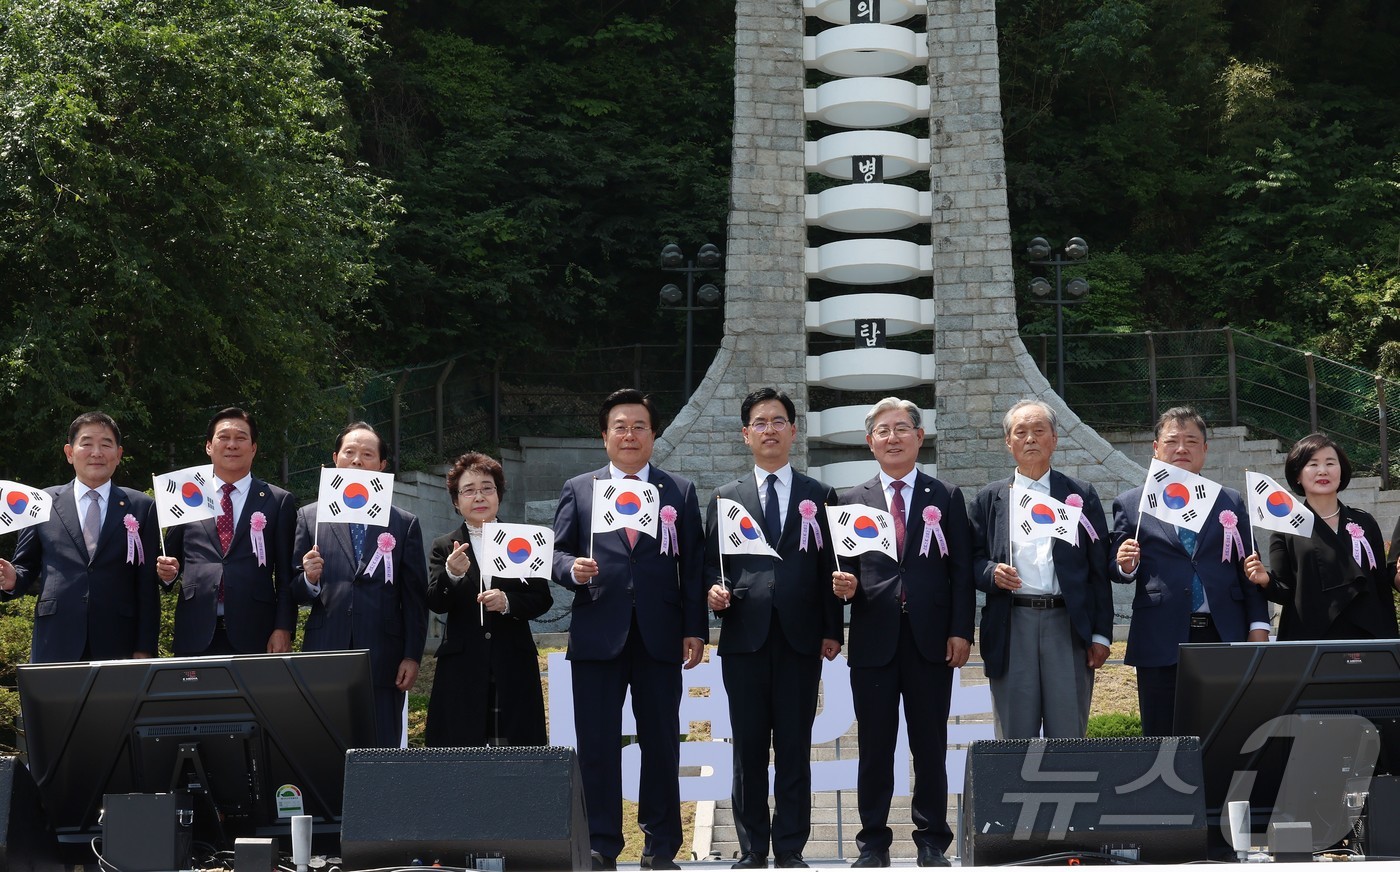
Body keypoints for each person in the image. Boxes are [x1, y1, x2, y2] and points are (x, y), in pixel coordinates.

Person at [551, 389, 706, 872]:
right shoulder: (579, 489)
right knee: (597, 744)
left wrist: (695, 628)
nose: (630, 434)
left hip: (661, 634)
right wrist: (570, 569)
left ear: (654, 435)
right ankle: (600, 844)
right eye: (620, 426)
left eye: (640, 426)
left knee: (661, 742)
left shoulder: (679, 491)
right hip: (599, 632)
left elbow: (695, 567)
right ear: (604, 437)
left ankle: (661, 847)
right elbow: (554, 553)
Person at [830, 397, 974, 869]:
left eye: (901, 429)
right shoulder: (849, 500)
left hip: (931, 640)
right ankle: (873, 842)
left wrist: (961, 631)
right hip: (874, 640)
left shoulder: (946, 496)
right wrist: (843, 590)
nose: (892, 438)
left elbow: (961, 572)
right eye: (882, 431)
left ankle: (932, 840)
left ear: (919, 436)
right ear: (870, 442)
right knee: (874, 747)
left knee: (929, 745)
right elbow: (840, 572)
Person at [703, 388, 843, 870]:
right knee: (746, 749)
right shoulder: (725, 498)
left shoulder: (820, 495)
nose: (769, 429)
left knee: (793, 747)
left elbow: (832, 564)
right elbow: (710, 564)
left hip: (801, 639)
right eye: (759, 422)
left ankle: (790, 848)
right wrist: (713, 591)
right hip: (744, 637)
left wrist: (833, 628)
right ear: (746, 435)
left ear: (793, 431)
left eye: (778, 421)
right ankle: (751, 848)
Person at [1111, 408, 1271, 735]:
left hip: (1223, 632)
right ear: (1156, 448)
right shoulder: (1132, 504)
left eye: (1191, 441)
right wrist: (1126, 564)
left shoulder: (1230, 501)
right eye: (1172, 441)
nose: (1181, 449)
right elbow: (1115, 566)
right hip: (1161, 635)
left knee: (1226, 731)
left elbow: (1248, 569)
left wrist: (1258, 626)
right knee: (1163, 735)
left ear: (1205, 450)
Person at [968, 399, 1113, 739]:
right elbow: (970, 559)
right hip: (1012, 621)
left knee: (1068, 734)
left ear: (1054, 439)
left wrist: (1101, 634)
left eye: (1038, 431)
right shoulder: (989, 499)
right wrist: (991, 573)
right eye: (1021, 432)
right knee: (1014, 737)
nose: (1030, 439)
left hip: (1066, 624)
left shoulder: (1079, 495)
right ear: (1008, 442)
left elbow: (1097, 570)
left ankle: (1067, 793)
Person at [291, 422, 428, 747]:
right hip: (325, 651)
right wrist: (309, 578)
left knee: (380, 747)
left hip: (384, 656)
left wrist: (412, 655)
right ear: (335, 458)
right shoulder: (310, 517)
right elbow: (292, 590)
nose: (357, 461)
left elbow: (414, 599)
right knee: (322, 746)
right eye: (349, 453)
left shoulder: (403, 523)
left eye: (367, 454)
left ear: (381, 465)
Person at [0, 411, 161, 662]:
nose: (96, 452)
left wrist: (144, 648)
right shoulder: (41, 502)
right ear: (69, 453)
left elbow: (147, 586)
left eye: (106, 444)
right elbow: (26, 567)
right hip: (55, 640)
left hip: (119, 643)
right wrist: (11, 578)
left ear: (118, 455)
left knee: (116, 703)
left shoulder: (142, 506)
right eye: (86, 443)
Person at [424, 452, 552, 747]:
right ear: (456, 501)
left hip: (513, 662)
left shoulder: (523, 539)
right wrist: (452, 575)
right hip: (462, 666)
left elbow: (541, 598)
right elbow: (435, 602)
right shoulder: (444, 545)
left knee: (515, 754)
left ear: (498, 495)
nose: (479, 496)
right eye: (468, 490)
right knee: (460, 755)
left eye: (487, 488)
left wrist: (508, 602)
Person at [156, 407, 298, 655]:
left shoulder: (277, 501)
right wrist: (166, 573)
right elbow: (170, 562)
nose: (232, 445)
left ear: (253, 448)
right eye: (224, 437)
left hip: (257, 633)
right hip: (195, 631)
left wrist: (283, 628)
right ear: (209, 446)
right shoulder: (187, 493)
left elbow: (286, 575)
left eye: (241, 438)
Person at [1244, 434, 1400, 640]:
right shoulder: (1285, 528)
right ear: (1298, 474)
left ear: (1341, 470)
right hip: (1312, 637)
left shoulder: (1365, 522)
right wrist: (1265, 581)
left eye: (1330, 463)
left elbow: (1380, 585)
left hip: (1368, 634)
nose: (1323, 471)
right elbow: (1284, 591)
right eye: (1313, 464)